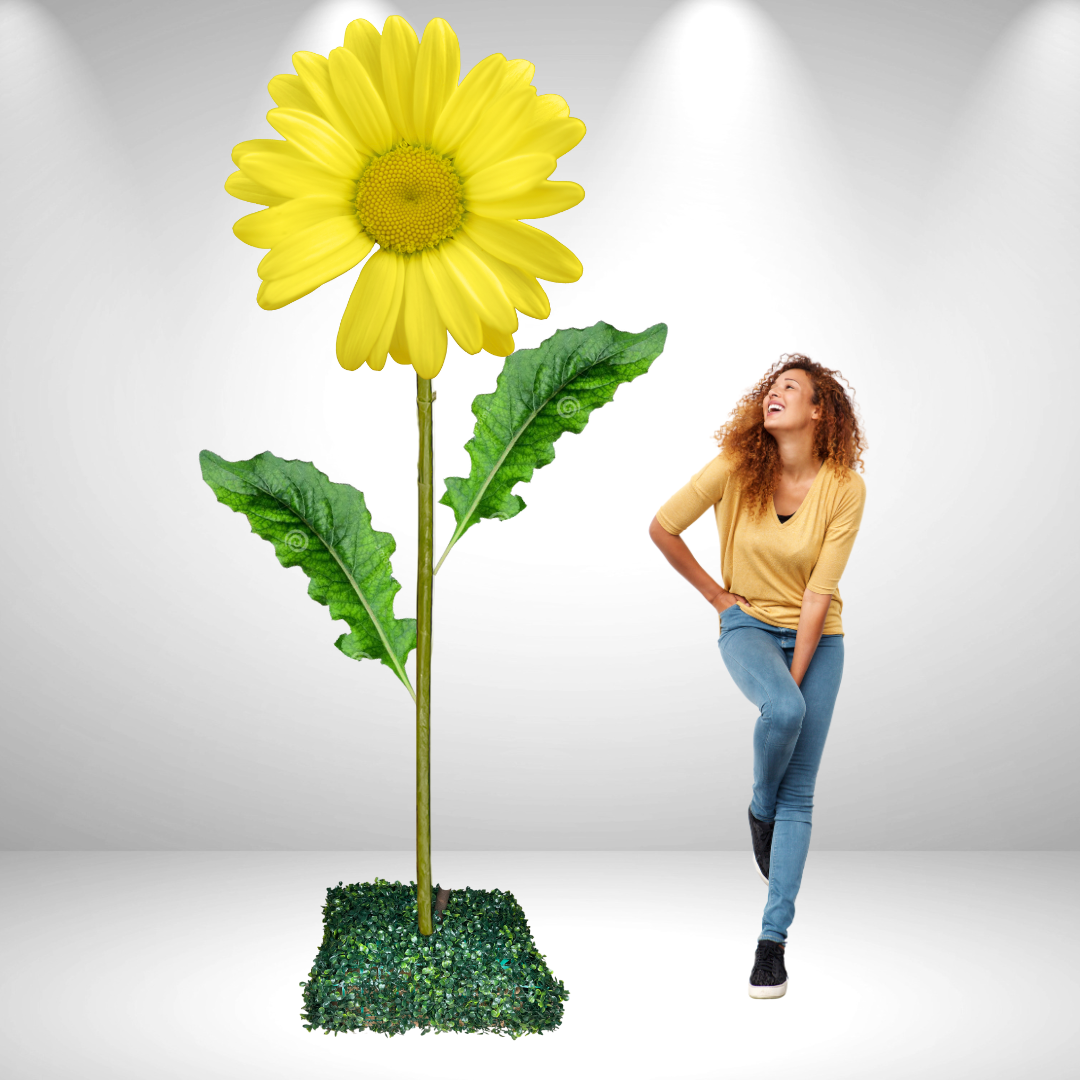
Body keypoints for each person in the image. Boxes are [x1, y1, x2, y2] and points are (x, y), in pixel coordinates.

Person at [649, 353, 867, 999]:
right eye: (770, 388)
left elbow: (818, 595)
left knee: (800, 792)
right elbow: (662, 527)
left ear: (818, 410)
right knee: (785, 715)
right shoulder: (736, 466)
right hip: (746, 626)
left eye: (790, 389)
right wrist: (719, 598)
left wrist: (795, 682)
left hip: (817, 636)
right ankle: (757, 805)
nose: (774, 395)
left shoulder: (845, 487)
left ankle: (772, 944)